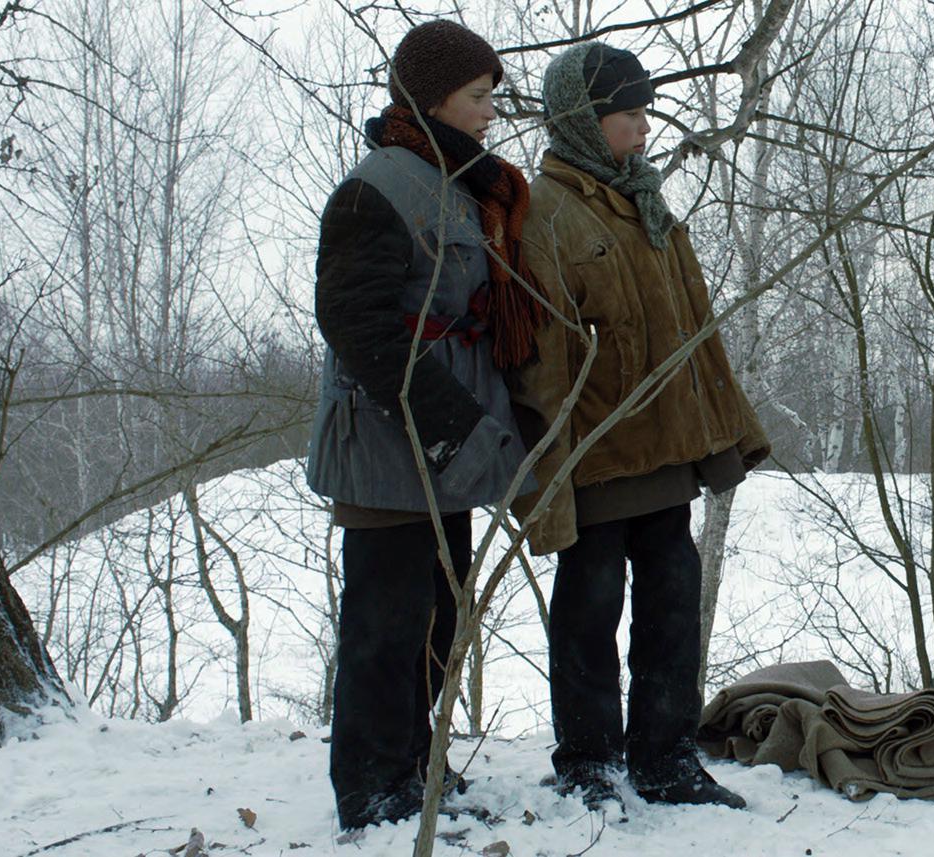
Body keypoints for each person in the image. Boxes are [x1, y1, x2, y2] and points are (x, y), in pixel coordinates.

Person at [510, 42, 771, 810]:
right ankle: (588, 762)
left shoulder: (643, 199)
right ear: (585, 120)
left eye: (644, 112)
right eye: (629, 114)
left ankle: (666, 759)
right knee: (589, 611)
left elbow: (690, 328)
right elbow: (544, 359)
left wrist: (718, 430)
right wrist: (549, 465)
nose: (644, 128)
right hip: (596, 453)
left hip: (666, 451)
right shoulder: (545, 211)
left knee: (671, 605)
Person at [303, 19, 543, 830]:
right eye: (479, 97)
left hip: (447, 452)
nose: (488, 114)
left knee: (437, 614)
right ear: (435, 97)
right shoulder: (377, 187)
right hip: (388, 446)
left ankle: (412, 761)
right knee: (386, 623)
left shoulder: (459, 188)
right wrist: (443, 424)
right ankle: (371, 787)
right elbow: (353, 320)